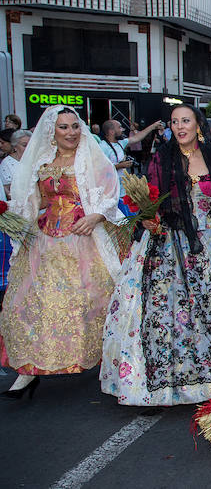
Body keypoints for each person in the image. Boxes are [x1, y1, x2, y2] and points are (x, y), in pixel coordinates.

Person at [100, 104, 211, 406]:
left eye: (185, 120)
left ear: (198, 124)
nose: (180, 126)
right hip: (170, 238)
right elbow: (152, 198)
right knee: (166, 308)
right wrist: (148, 218)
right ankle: (158, 387)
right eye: (175, 122)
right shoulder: (162, 158)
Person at [0, 105, 123, 399]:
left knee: (92, 302)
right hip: (46, 240)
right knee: (32, 303)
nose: (71, 132)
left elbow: (109, 192)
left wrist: (96, 216)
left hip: (84, 239)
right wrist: (16, 216)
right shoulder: (43, 161)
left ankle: (110, 364)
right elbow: (37, 200)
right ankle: (28, 372)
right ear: (51, 132)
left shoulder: (91, 158)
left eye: (74, 126)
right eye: (64, 127)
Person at [99, 119, 163, 195]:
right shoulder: (102, 146)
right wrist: (120, 166)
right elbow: (100, 169)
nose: (122, 130)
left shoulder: (120, 143)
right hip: (110, 191)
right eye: (119, 127)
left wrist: (153, 127)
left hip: (122, 190)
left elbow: (137, 138)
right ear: (111, 132)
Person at [0, 130, 30, 195]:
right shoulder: (7, 163)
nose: (28, 148)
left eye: (30, 144)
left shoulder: (37, 159)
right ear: (15, 147)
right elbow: (6, 189)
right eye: (24, 145)